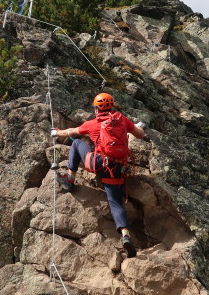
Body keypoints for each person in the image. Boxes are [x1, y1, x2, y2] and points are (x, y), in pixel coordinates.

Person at [51, 93, 145, 258]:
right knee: (116, 203)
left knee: (78, 143)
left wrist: (56, 133)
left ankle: (69, 180)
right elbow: (140, 134)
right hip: (117, 168)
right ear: (112, 106)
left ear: (96, 108)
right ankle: (125, 235)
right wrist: (138, 126)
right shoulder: (122, 119)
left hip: (99, 163)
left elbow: (72, 132)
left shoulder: (93, 123)